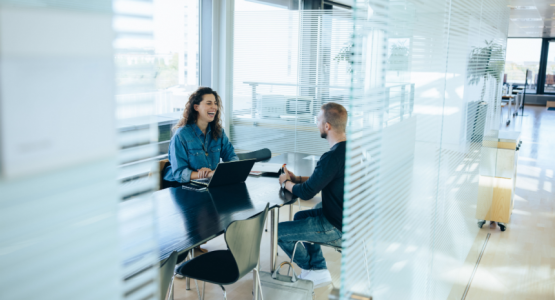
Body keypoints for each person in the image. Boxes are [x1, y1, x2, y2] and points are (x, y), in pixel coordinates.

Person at [278, 102, 347, 288]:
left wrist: (286, 183)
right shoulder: (350, 151)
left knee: (279, 233)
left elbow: (307, 193)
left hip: (336, 227)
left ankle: (313, 270)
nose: (316, 124)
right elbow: (327, 178)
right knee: (301, 216)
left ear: (327, 126)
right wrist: (297, 178)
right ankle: (318, 268)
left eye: (318, 120)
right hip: (350, 222)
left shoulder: (332, 157)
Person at [162, 87, 238, 188]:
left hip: (208, 185)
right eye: (209, 103)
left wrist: (215, 172)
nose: (214, 107)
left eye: (215, 103)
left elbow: (232, 157)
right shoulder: (181, 135)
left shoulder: (219, 132)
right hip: (182, 188)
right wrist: (207, 174)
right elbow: (179, 173)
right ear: (196, 107)